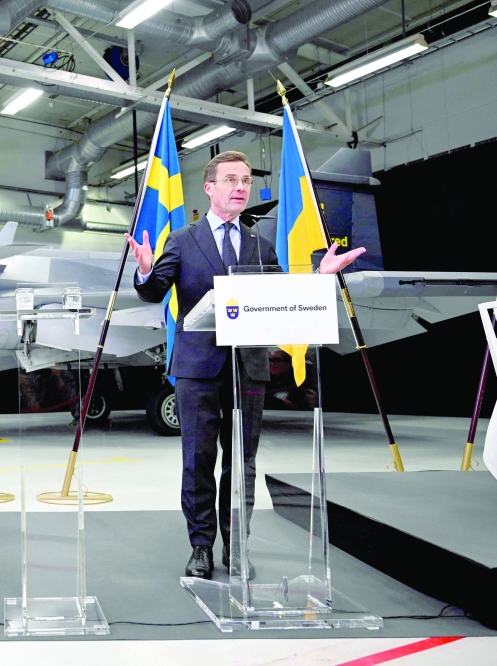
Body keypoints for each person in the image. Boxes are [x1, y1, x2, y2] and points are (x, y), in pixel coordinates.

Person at [126, 151, 364, 580]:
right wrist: (145, 271)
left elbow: (281, 299)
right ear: (210, 187)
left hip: (247, 368)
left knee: (241, 463)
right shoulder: (182, 240)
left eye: (247, 181)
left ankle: (237, 546)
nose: (241, 187)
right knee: (197, 459)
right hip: (198, 368)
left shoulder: (260, 245)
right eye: (231, 179)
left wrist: (319, 278)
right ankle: (201, 547)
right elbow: (153, 290)